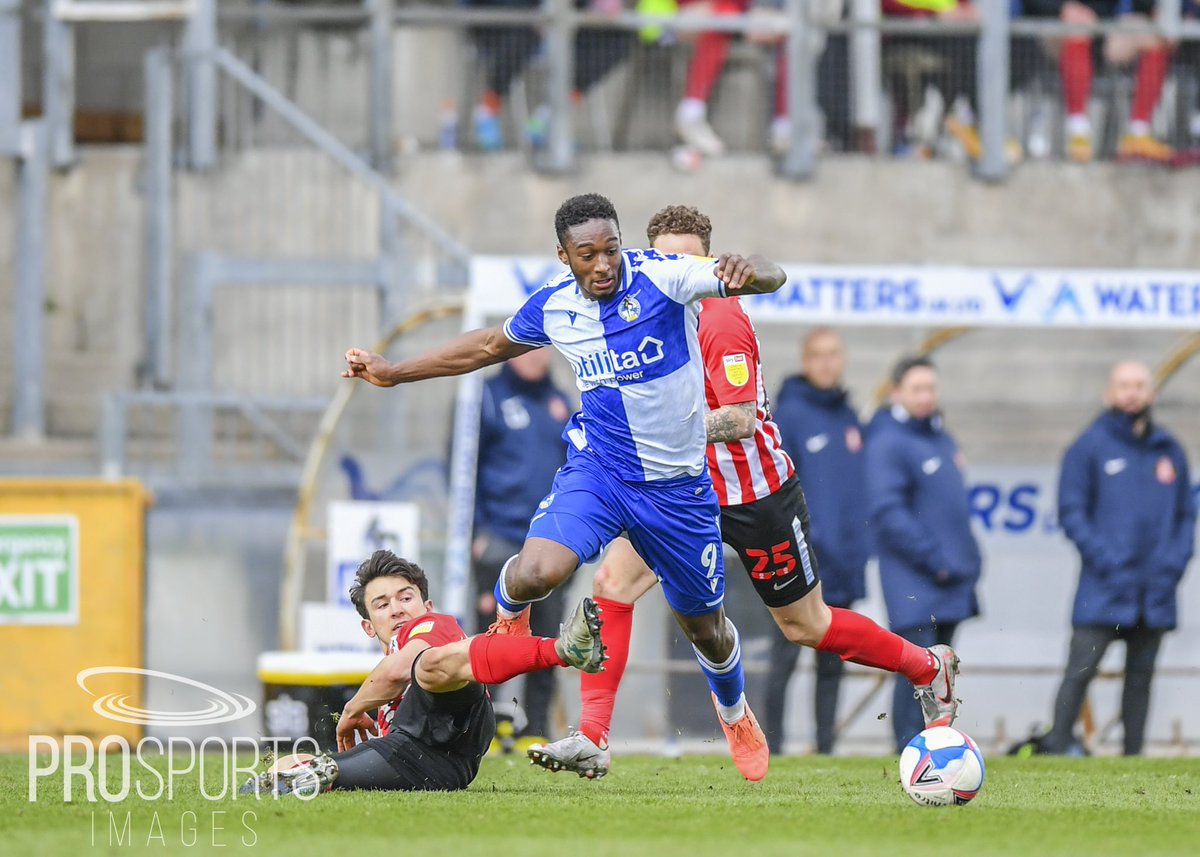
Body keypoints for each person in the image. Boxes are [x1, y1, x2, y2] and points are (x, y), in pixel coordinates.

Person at [343, 193, 786, 782]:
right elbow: (484, 347)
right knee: (533, 573)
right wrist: (394, 371)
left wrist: (745, 267)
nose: (603, 265)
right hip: (600, 471)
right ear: (564, 256)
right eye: (587, 255)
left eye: (610, 250)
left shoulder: (666, 278)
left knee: (705, 627)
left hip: (677, 489)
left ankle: (733, 711)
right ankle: (510, 617)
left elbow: (772, 275)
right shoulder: (554, 308)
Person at [525, 207, 959, 779]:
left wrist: (664, 428)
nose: (673, 267)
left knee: (806, 625)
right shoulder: (635, 309)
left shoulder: (720, 315)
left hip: (753, 493)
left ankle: (928, 666)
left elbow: (740, 419)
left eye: (687, 257)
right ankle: (595, 735)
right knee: (612, 583)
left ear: (708, 261)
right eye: (663, 256)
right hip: (677, 492)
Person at [240, 550, 605, 796]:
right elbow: (391, 713)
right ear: (369, 627)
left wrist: (352, 710)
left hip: (456, 725)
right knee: (300, 770)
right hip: (418, 762)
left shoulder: (432, 626)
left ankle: (562, 649)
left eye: (405, 597)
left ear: (426, 605)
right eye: (381, 605)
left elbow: (401, 670)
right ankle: (314, 776)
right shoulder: (381, 681)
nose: (397, 609)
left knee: (425, 666)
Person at [1041, 360, 1194, 755]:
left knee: (1141, 679)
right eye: (1124, 385)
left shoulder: (1170, 449)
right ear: (1109, 392)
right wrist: (1109, 562)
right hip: (1104, 587)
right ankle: (1056, 748)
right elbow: (1072, 513)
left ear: (1152, 393)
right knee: (1079, 672)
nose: (1132, 393)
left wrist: (1171, 567)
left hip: (1155, 591)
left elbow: (1184, 517)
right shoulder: (1088, 447)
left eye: (1140, 385)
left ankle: (1133, 757)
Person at [866, 356, 981, 754]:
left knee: (943, 673)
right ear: (896, 391)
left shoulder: (940, 437)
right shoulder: (887, 442)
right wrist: (935, 559)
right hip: (914, 581)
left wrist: (966, 560)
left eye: (931, 388)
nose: (926, 396)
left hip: (948, 580)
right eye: (917, 389)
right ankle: (907, 752)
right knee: (916, 671)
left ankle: (937, 751)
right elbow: (888, 513)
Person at [763, 327, 869, 755]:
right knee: (785, 656)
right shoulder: (789, 414)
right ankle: (773, 744)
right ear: (806, 361)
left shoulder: (849, 417)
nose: (827, 363)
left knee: (834, 660)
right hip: (800, 559)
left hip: (843, 562)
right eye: (818, 355)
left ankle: (826, 747)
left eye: (833, 354)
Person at [471, 347, 572, 746]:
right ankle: (488, 729)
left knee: (548, 635)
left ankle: (537, 729)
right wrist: (476, 531)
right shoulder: (488, 398)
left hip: (551, 541)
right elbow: (466, 467)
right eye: (532, 350)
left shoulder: (559, 401)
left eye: (546, 350)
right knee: (493, 635)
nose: (539, 358)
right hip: (500, 537)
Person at [1022, 0, 1173, 163]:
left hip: (1105, 26)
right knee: (1077, 27)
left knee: (1155, 37)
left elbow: (1141, 6)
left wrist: (1151, 11)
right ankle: (1077, 133)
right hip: (1053, 24)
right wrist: (1060, 8)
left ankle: (1138, 134)